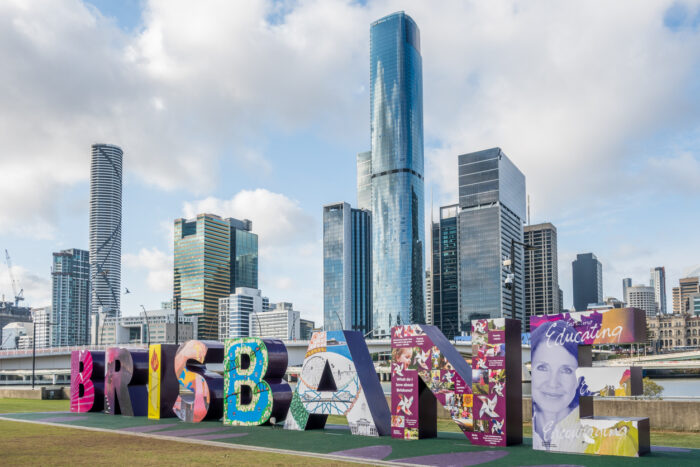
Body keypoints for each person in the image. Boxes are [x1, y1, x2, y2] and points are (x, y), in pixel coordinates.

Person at [531, 319, 586, 453]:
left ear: (578, 379)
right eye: (543, 367)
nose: (553, 383)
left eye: (566, 370)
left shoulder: (599, 437)